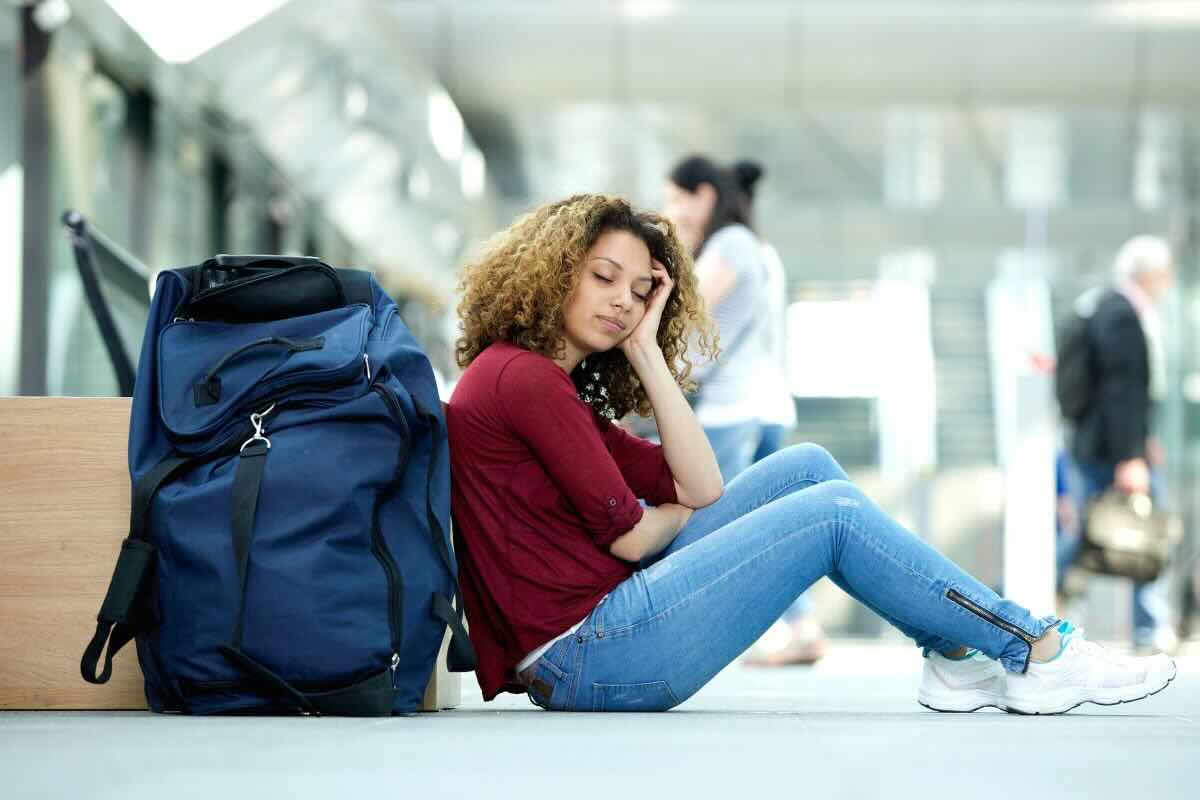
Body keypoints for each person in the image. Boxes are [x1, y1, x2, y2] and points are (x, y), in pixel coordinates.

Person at [445, 193, 1176, 714]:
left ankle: (954, 660)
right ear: (551, 270)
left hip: (599, 636)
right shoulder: (524, 378)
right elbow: (635, 535)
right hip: (589, 654)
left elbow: (700, 487)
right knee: (830, 514)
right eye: (603, 277)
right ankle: (1030, 647)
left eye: (640, 293)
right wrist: (663, 517)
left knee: (808, 467)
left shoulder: (548, 383)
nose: (622, 303)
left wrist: (647, 353)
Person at [730, 159, 826, 666]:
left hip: (736, 405)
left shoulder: (730, 252)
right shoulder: (767, 255)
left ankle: (770, 628)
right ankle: (801, 624)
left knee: (724, 523)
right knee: (772, 518)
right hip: (771, 401)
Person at [1064, 235, 1177, 653]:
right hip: (1112, 452)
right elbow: (1121, 390)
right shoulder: (1123, 315)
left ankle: (1058, 622)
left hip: (1099, 446)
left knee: (1090, 535)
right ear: (1148, 275)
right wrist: (1130, 455)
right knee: (1142, 533)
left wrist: (1142, 441)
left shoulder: (1099, 307)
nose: (1168, 282)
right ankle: (1148, 626)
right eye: (1165, 274)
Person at [662, 155, 771, 483]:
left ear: (705, 195)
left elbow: (683, 306)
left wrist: (675, 242)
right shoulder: (736, 242)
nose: (672, 211)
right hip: (723, 404)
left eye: (677, 199)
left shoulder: (731, 243)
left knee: (713, 514)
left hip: (720, 408)